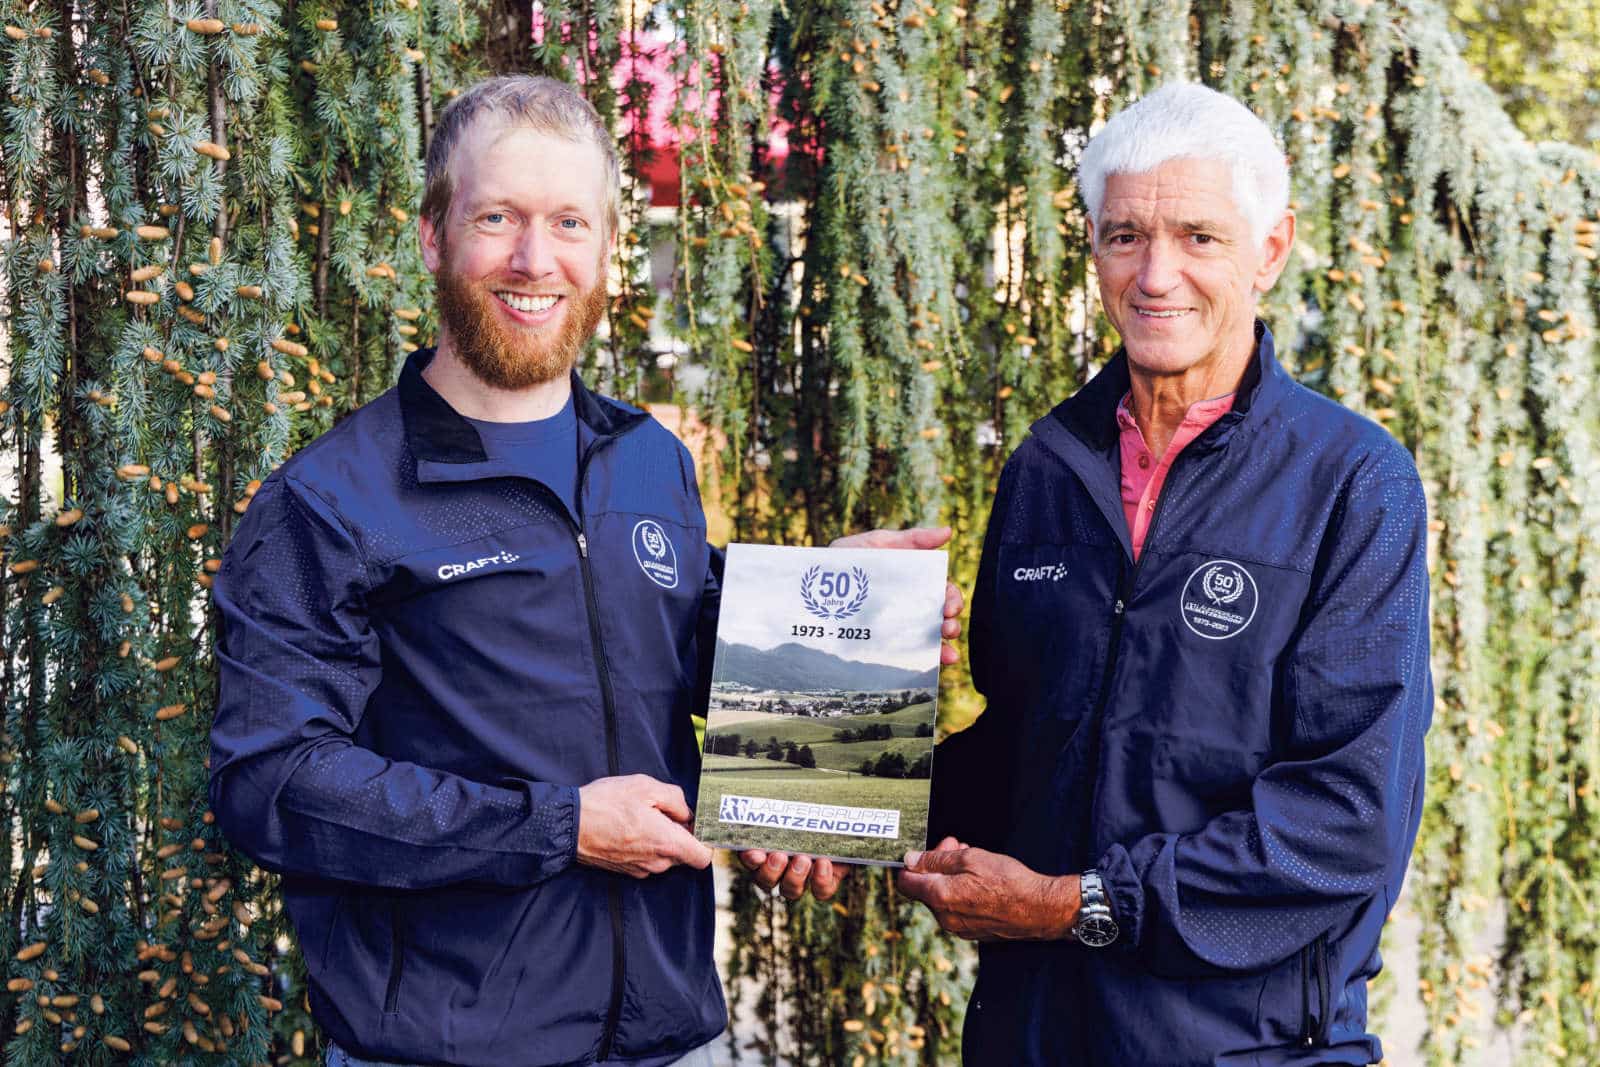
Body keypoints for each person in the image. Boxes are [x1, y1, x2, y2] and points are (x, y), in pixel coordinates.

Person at [209, 75, 958, 1067]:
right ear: (433, 235)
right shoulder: (330, 502)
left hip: (671, 1032)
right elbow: (272, 784)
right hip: (447, 1046)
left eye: (568, 221)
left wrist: (830, 620)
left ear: (607, 248)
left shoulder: (648, 460)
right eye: (496, 218)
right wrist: (559, 826)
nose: (533, 258)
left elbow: (664, 637)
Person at [899, 82, 1432, 1066]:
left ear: (1268, 252)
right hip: (1033, 1037)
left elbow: (1341, 823)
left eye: (1198, 237)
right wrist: (832, 792)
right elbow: (1025, 754)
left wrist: (1072, 905)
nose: (1155, 275)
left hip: (1246, 1044)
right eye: (1124, 236)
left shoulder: (1351, 483)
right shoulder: (1049, 466)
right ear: (1092, 245)